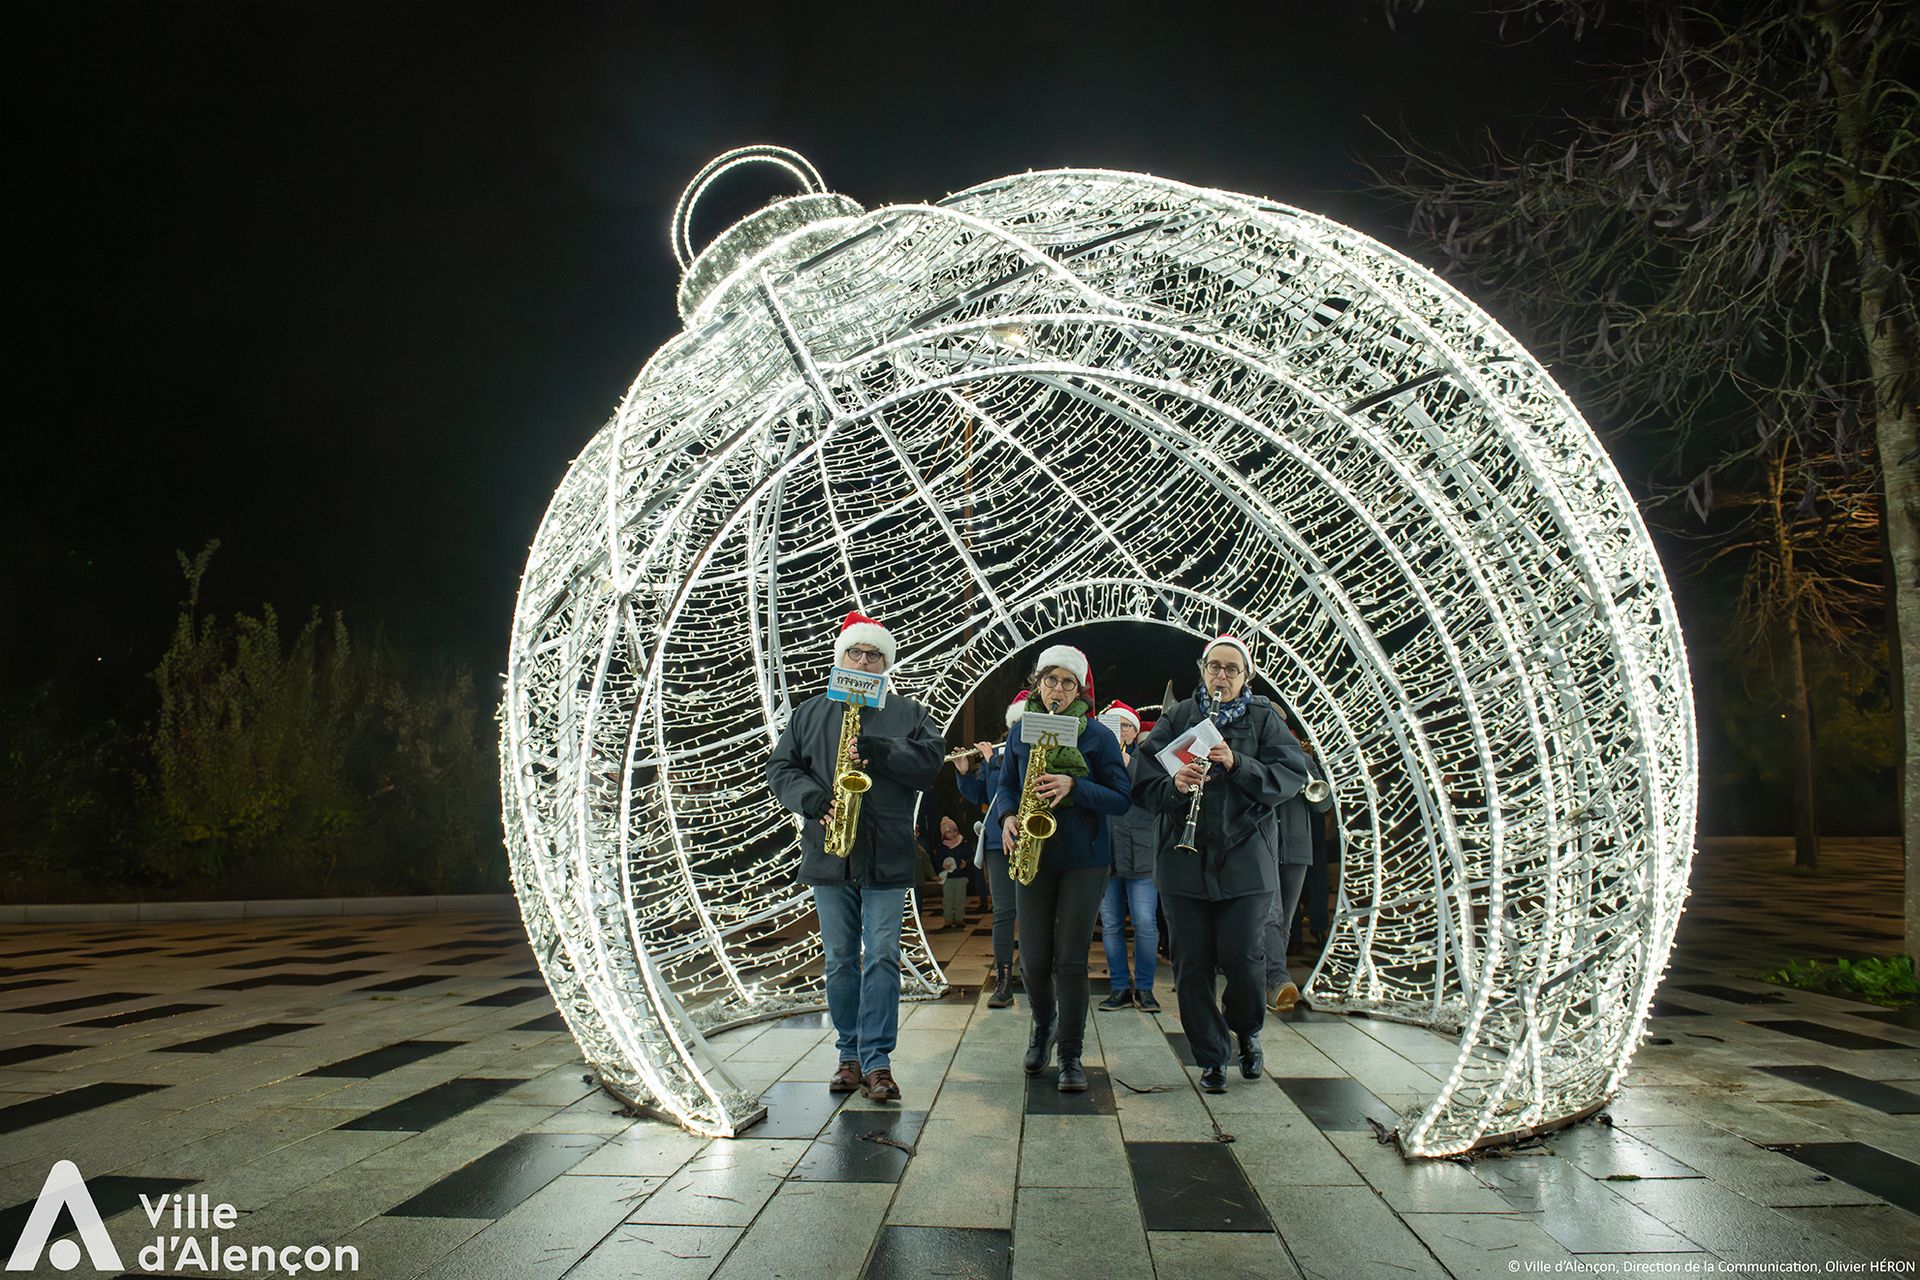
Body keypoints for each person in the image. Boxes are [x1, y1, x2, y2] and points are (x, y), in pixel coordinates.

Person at [766, 610, 944, 1103]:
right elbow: (780, 769)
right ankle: (848, 1054)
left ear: (885, 664)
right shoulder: (809, 713)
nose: (864, 661)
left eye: (874, 655)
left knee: (883, 956)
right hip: (830, 852)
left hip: (886, 853)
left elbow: (930, 765)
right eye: (856, 652)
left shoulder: (908, 713)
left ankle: (878, 1061)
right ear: (841, 657)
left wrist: (883, 751)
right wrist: (814, 800)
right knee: (842, 959)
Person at [1131, 635, 1308, 1094]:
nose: (1222, 676)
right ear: (1203, 669)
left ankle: (1246, 1030)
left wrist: (1238, 762)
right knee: (1191, 965)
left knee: (1246, 960)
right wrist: (1176, 787)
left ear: (1245, 676)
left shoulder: (1264, 718)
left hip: (1245, 863)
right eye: (1215, 667)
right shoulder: (1179, 718)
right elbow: (1143, 782)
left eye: (1232, 669)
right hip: (1183, 864)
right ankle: (1211, 1056)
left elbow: (1290, 776)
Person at [995, 644, 1132, 1092]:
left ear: (1080, 690)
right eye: (1050, 680)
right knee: (1033, 963)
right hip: (1033, 855)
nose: (1057, 689)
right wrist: (1008, 816)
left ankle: (1071, 1054)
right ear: (1038, 684)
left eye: (1067, 682)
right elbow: (1007, 786)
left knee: (1070, 962)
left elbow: (1121, 797)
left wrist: (1076, 785)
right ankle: (1044, 1023)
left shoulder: (1097, 736)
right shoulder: (1021, 733)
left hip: (1084, 859)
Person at [1096, 701, 1162, 1012]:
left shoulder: (1148, 760)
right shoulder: (1097, 760)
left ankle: (1146, 988)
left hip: (1142, 853)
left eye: (1125, 726)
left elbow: (1156, 795)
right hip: (1107, 853)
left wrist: (1129, 766)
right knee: (1111, 925)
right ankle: (1120, 987)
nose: (1119, 732)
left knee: (1146, 924)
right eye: (1113, 726)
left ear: (1135, 733)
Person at [954, 703, 1017, 1007]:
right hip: (997, 842)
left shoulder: (1032, 750)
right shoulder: (999, 755)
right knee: (1004, 911)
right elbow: (984, 795)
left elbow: (1010, 787)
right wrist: (966, 774)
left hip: (1035, 838)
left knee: (1040, 912)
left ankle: (1041, 974)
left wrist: (992, 762)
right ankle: (1003, 979)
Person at [1266, 737, 1334, 1012]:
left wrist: (1305, 766)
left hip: (1297, 846)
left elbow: (1322, 804)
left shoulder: (1303, 760)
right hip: (1264, 844)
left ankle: (1271, 982)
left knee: (1285, 921)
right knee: (1271, 915)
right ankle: (1277, 979)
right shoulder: (1259, 752)